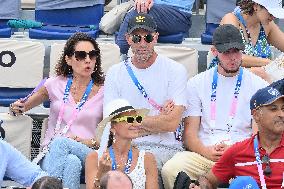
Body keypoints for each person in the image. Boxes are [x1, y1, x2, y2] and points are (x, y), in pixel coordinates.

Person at [161, 24, 269, 189]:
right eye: (227, 52)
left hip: (243, 155)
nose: (233, 57)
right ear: (214, 51)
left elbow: (259, 136)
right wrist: (206, 151)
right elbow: (189, 135)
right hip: (204, 154)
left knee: (256, 173)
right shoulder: (196, 83)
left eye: (237, 51)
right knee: (171, 169)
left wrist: (234, 151)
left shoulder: (258, 85)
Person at [9, 32, 105, 189]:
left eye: (92, 55)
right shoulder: (54, 83)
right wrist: (15, 108)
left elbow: (111, 133)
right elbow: (23, 106)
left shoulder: (105, 90)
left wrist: (87, 142)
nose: (88, 60)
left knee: (61, 143)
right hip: (51, 152)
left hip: (87, 150)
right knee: (71, 162)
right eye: (81, 55)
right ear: (68, 59)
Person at [103, 13, 187, 171]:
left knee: (143, 166)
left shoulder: (175, 70)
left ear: (155, 38)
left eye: (147, 38)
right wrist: (159, 118)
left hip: (165, 148)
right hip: (125, 147)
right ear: (128, 39)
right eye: (136, 38)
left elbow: (171, 124)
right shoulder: (114, 73)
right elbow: (112, 123)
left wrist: (128, 120)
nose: (142, 44)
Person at [189, 83, 284, 189]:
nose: (281, 114)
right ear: (256, 115)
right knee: (244, 183)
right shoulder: (238, 151)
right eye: (273, 109)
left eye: (283, 109)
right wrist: (200, 186)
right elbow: (208, 180)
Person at [85, 99, 158, 189]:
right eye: (130, 119)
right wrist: (101, 174)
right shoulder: (94, 158)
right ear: (112, 126)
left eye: (138, 119)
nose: (136, 124)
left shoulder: (147, 159)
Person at [209, 0, 284, 82]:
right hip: (225, 80)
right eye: (270, 13)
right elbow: (231, 57)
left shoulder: (268, 24)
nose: (273, 17)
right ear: (256, 6)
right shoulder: (231, 19)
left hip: (258, 82)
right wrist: (271, 63)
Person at [116, 0, 194, 58]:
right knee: (138, 9)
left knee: (137, 12)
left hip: (179, 14)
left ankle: (117, 58)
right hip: (156, 10)